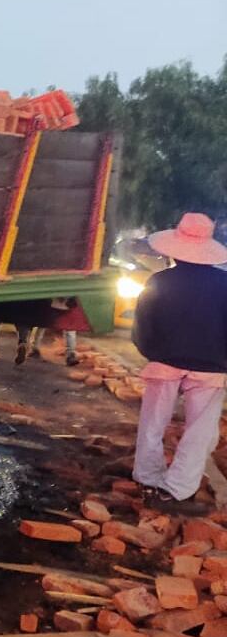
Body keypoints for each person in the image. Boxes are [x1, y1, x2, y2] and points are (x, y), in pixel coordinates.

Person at [132, 212, 227, 503]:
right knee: (199, 430)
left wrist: (153, 352)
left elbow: (142, 327)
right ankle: (178, 489)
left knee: (152, 422)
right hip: (211, 368)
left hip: (164, 362)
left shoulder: (159, 281)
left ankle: (147, 478)